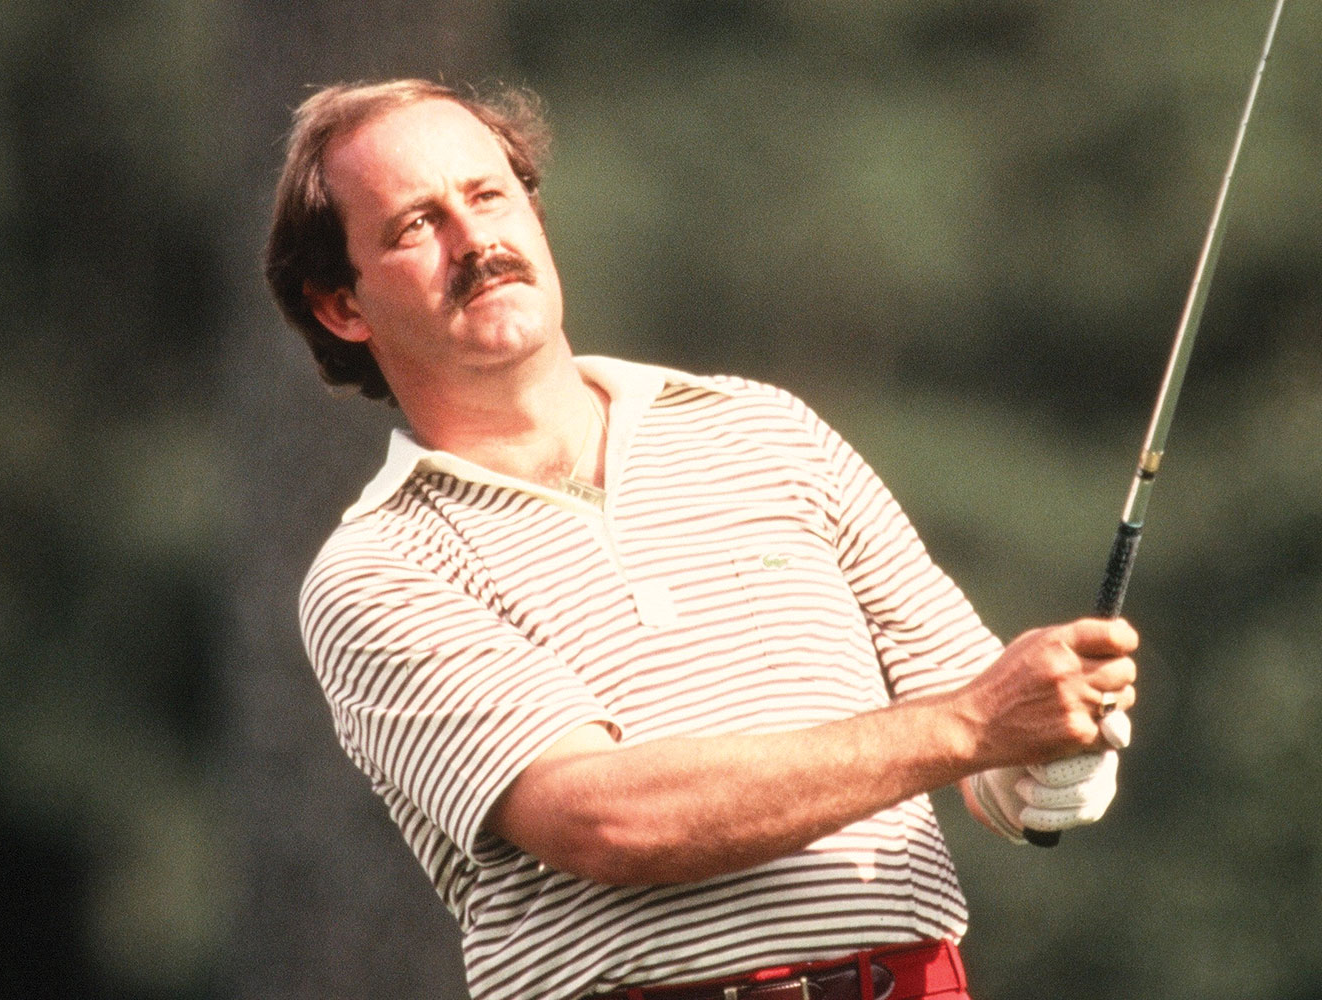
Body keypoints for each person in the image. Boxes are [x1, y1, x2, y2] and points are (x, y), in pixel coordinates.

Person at [265, 79, 1139, 1000]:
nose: (476, 239)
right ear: (342, 308)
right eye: (417, 224)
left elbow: (981, 725)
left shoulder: (765, 426)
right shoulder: (378, 569)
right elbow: (606, 822)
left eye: (490, 195)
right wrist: (971, 727)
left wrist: (1048, 759)